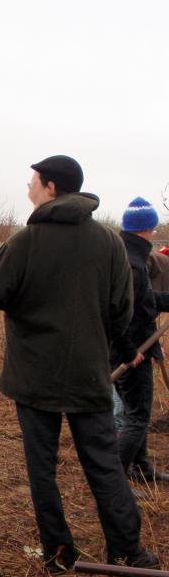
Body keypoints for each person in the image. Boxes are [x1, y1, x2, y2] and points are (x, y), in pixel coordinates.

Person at [0, 155, 159, 571]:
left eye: (33, 183)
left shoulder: (26, 240)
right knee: (104, 463)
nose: (29, 190)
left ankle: (60, 555)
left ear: (52, 188)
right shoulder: (110, 241)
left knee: (42, 470)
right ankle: (128, 551)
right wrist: (99, 343)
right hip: (88, 374)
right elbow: (122, 310)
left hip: (34, 377)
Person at [112, 198, 169, 484]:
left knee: (136, 413)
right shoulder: (133, 265)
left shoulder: (126, 257)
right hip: (133, 353)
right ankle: (115, 481)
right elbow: (123, 315)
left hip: (129, 349)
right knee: (138, 416)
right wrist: (130, 351)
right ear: (147, 227)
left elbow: (146, 303)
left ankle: (141, 467)